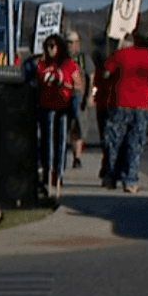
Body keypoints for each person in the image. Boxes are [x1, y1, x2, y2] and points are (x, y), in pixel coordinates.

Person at [99, 31, 148, 193]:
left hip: (118, 102)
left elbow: (105, 73)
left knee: (114, 141)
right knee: (134, 143)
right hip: (141, 105)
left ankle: (110, 177)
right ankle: (131, 180)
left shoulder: (120, 54)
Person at [36, 34, 83, 194]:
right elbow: (36, 82)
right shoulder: (42, 64)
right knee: (46, 141)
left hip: (62, 107)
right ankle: (47, 173)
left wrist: (63, 81)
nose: (50, 49)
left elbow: (78, 86)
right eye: (48, 46)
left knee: (61, 141)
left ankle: (59, 174)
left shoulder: (69, 64)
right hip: (46, 107)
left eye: (53, 46)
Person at [65, 30, 94, 168]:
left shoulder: (83, 59)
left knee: (79, 128)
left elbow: (91, 77)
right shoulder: (61, 59)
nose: (72, 45)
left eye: (74, 42)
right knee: (66, 127)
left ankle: (77, 157)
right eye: (69, 42)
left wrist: (89, 96)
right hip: (63, 98)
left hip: (79, 97)